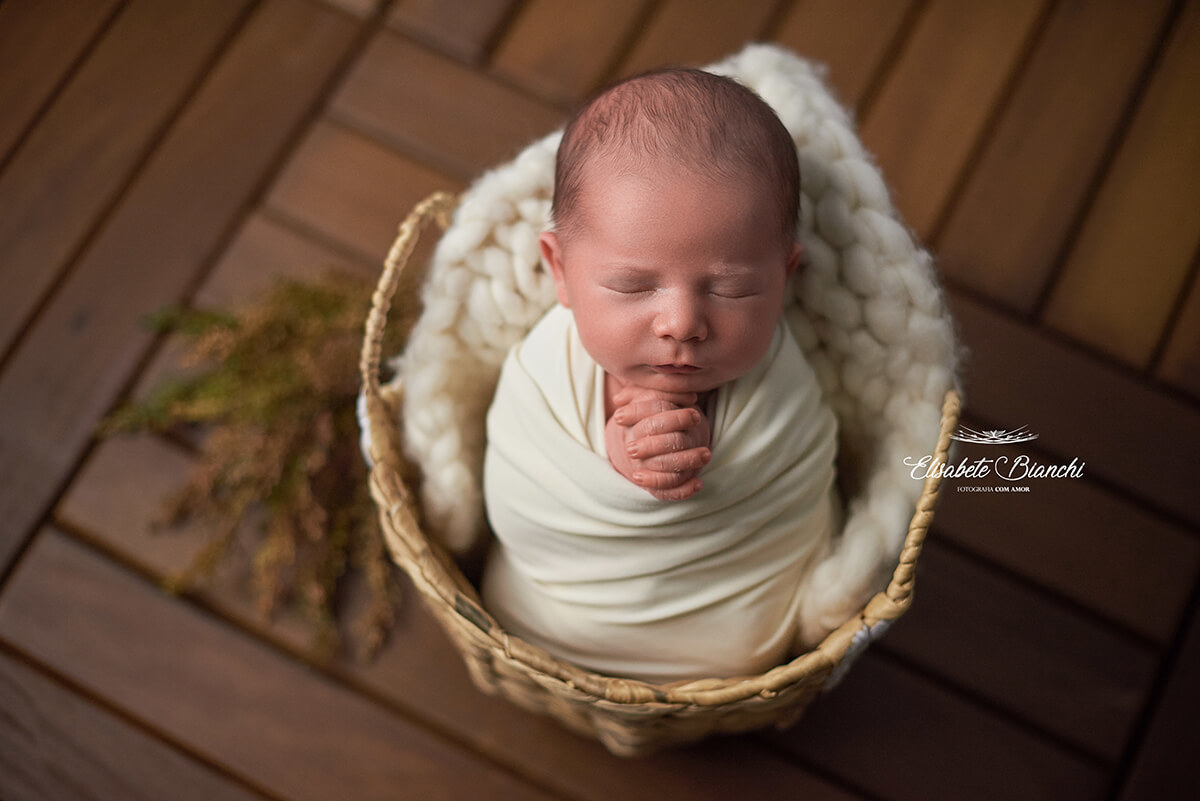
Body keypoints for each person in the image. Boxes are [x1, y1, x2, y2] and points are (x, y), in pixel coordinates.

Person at [480, 68, 840, 683]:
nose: (681, 323)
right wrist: (622, 472)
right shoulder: (542, 373)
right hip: (556, 615)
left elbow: (797, 489)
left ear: (786, 276)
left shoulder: (785, 388)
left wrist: (710, 462)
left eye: (731, 288)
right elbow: (519, 490)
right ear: (559, 270)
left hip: (734, 636)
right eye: (632, 285)